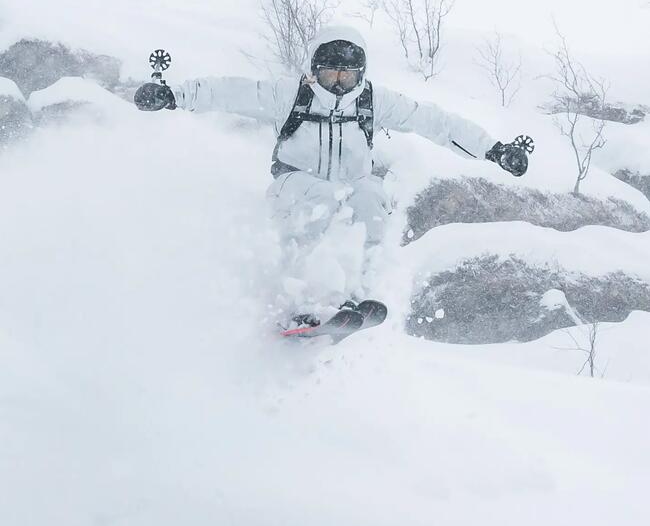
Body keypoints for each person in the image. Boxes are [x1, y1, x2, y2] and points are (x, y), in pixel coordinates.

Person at [134, 24, 532, 324]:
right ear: (314, 72)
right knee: (320, 200)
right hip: (293, 186)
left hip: (348, 188)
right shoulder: (289, 95)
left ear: (361, 74)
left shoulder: (373, 100)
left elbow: (434, 121)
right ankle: (298, 302)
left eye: (348, 77)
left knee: (372, 195)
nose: (340, 85)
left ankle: (361, 294)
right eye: (330, 76)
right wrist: (173, 95)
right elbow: (231, 91)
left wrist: (493, 150)